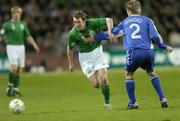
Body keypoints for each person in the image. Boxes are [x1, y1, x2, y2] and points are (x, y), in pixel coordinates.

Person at [85, 0, 173, 109]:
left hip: (134, 52)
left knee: (129, 74)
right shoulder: (148, 21)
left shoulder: (125, 22)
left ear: (128, 10)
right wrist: (164, 46)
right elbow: (155, 36)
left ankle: (133, 102)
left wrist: (94, 38)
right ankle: (163, 98)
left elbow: (112, 33)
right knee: (151, 73)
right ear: (139, 9)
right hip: (149, 52)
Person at [67, 10, 114, 110]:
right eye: (74, 22)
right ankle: (98, 74)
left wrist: (110, 33)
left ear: (84, 21)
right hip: (84, 58)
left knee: (104, 80)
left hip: (97, 53)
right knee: (96, 84)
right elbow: (69, 50)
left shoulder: (92, 23)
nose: (76, 24)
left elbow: (109, 20)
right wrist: (71, 64)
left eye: (78, 22)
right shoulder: (72, 34)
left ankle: (107, 103)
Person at [0, 6, 40, 97]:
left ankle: (15, 89)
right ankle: (9, 86)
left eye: (18, 13)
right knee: (14, 68)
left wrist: (34, 45)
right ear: (12, 14)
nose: (17, 14)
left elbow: (28, 36)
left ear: (20, 14)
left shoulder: (23, 24)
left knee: (19, 69)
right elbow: (1, 34)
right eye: (15, 13)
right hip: (11, 46)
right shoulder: (7, 24)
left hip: (21, 47)